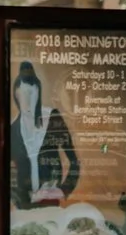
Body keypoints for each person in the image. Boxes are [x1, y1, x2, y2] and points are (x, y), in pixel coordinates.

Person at [8, 60, 80, 208]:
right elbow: (6, 173)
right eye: (23, 94)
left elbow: (74, 161)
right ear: (16, 95)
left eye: (31, 93)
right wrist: (19, 198)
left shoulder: (52, 119)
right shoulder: (12, 131)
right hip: (23, 208)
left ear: (38, 93)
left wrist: (63, 189)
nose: (27, 100)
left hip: (51, 205)